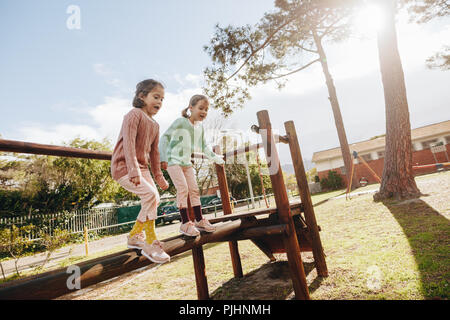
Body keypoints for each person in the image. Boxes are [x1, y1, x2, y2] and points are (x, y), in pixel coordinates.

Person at [111, 79, 170, 264]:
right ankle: (145, 238)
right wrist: (133, 169)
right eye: (156, 97)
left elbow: (154, 153)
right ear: (141, 96)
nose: (159, 102)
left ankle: (138, 237)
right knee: (151, 195)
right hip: (124, 166)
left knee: (155, 198)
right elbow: (128, 143)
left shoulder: (155, 125)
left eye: (162, 99)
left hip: (142, 169)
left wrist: (159, 176)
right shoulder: (133, 115)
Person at [159, 94, 224, 237]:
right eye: (201, 108)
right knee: (183, 189)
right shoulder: (180, 122)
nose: (204, 112)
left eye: (206, 109)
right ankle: (185, 223)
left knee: (194, 190)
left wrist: (216, 158)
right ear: (191, 108)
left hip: (186, 163)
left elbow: (204, 147)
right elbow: (164, 137)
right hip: (172, 160)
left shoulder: (199, 128)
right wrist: (162, 157)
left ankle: (200, 220)